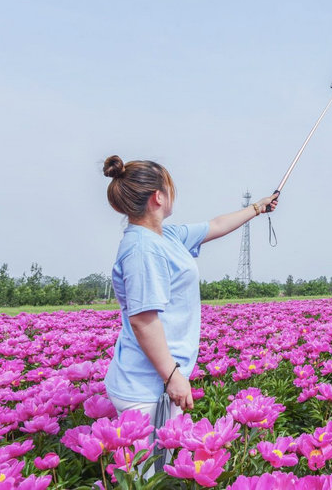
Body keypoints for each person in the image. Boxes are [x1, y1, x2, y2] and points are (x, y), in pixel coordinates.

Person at [101, 155, 278, 433]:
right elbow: (143, 320)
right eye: (170, 187)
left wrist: (257, 207)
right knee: (149, 474)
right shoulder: (143, 249)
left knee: (155, 468)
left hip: (158, 379)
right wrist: (172, 377)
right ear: (158, 197)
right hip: (148, 387)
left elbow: (216, 225)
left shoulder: (165, 236)